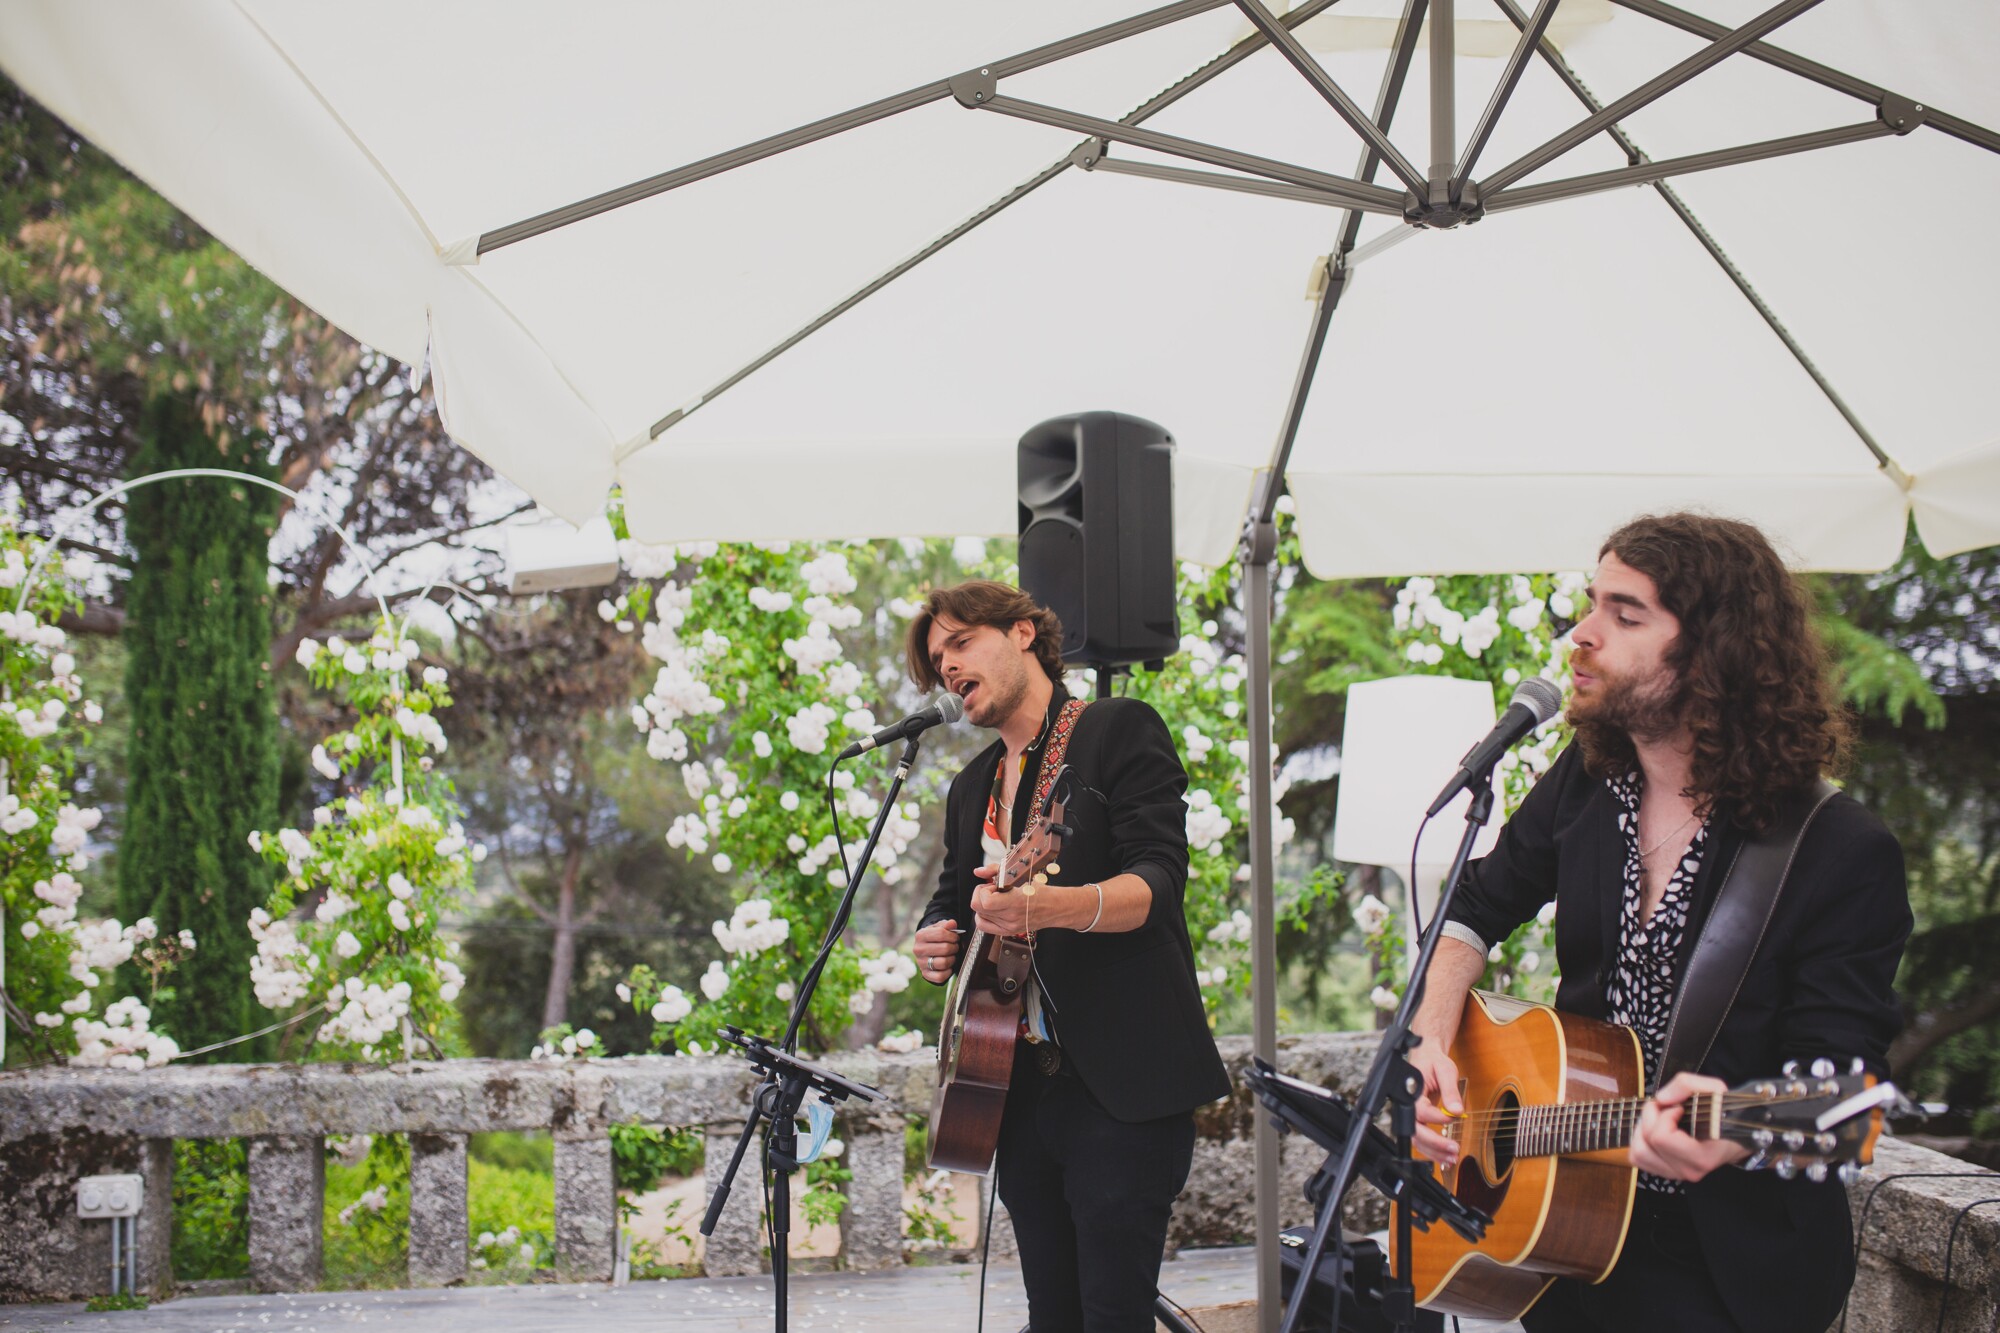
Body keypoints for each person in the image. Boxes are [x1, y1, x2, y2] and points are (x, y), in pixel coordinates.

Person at [1407, 513, 1911, 1333]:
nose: (1583, 633)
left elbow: (1843, 1096)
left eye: (1625, 614)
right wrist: (1431, 1039)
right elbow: (1472, 907)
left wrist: (1738, 1132)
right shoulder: (1588, 780)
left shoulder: (1838, 851)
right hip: (1563, 1232)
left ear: (1713, 653)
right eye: (1591, 603)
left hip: (1725, 1268)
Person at [907, 580, 1229, 1333]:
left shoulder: (1115, 730)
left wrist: (1050, 906)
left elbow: (1158, 883)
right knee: (1051, 1316)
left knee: (1114, 1315)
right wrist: (935, 939)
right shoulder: (971, 787)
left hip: (1120, 1087)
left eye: (961, 643)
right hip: (1013, 1089)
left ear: (1023, 632)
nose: (947, 666)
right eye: (937, 658)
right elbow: (953, 900)